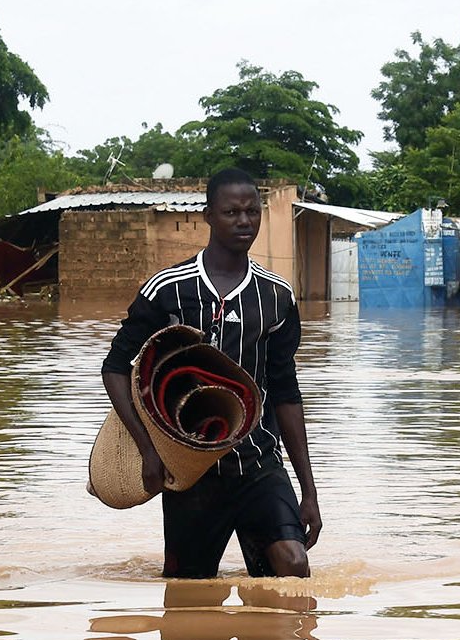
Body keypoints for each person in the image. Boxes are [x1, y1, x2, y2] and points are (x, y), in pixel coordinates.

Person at [101, 168, 322, 579]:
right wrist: (148, 449)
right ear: (207, 216)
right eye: (231, 212)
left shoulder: (276, 297)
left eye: (252, 212)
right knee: (188, 594)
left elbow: (286, 392)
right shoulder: (167, 290)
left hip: (259, 463)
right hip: (190, 474)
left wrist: (309, 491)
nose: (244, 221)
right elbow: (115, 368)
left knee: (293, 564)